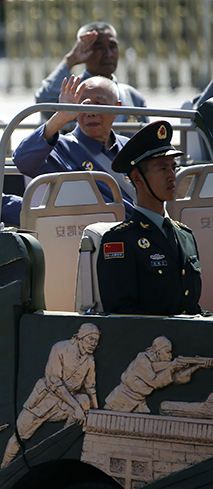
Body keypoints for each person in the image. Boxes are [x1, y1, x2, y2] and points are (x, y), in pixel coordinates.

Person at [97, 121, 203, 315]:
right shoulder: (120, 240)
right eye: (163, 169)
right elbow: (122, 317)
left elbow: (191, 308)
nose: (172, 176)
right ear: (138, 179)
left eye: (173, 167)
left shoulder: (185, 235)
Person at [13, 75, 136, 216]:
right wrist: (61, 116)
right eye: (83, 105)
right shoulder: (62, 148)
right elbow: (23, 160)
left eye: (99, 104)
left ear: (117, 109)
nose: (91, 113)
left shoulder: (129, 146)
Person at [1, 323, 99, 467]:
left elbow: (90, 387)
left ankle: (61, 441)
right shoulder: (60, 348)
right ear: (80, 337)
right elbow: (54, 382)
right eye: (90, 339)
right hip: (43, 400)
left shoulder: (90, 360)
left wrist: (96, 411)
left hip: (66, 403)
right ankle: (3, 467)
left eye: (96, 341)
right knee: (18, 436)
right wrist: (77, 407)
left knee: (85, 400)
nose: (93, 344)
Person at [35, 22, 147, 125]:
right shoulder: (72, 93)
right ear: (85, 51)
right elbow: (44, 102)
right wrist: (70, 59)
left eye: (112, 46)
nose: (108, 54)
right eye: (99, 48)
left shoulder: (133, 97)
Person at [104, 336, 210, 413]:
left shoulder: (159, 365)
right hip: (120, 401)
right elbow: (155, 382)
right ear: (158, 352)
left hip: (138, 402)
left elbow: (176, 379)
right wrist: (172, 367)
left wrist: (196, 366)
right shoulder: (142, 359)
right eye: (168, 352)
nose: (170, 356)